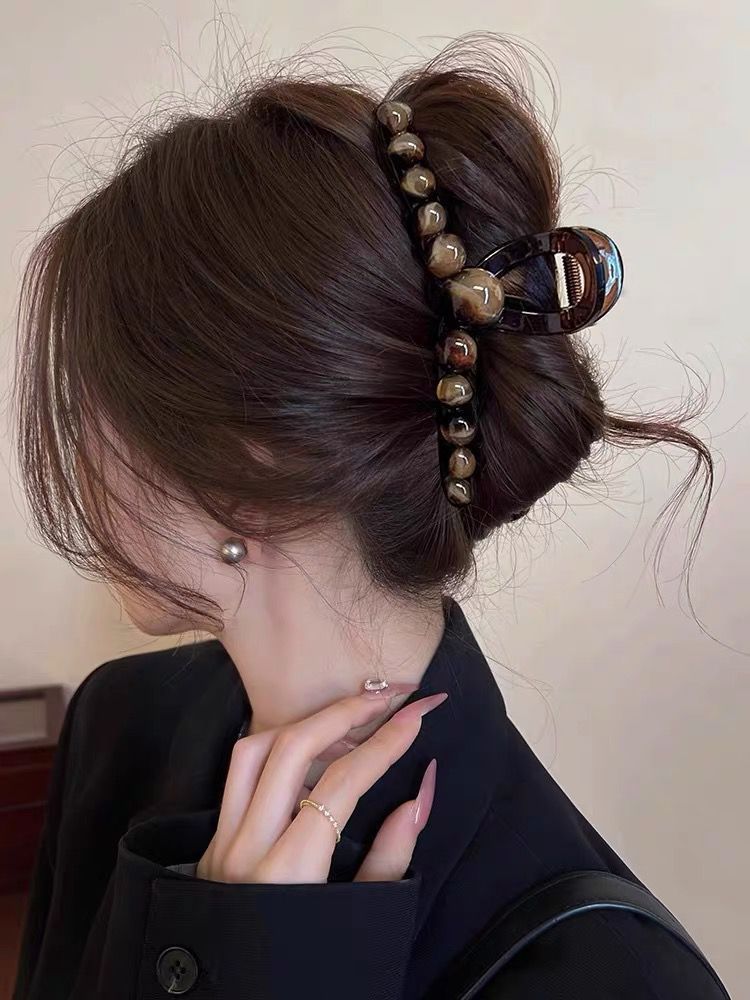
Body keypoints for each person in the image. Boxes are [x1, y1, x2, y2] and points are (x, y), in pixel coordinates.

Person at [11, 34, 728, 1000]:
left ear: (247, 463)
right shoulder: (116, 728)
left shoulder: (616, 978)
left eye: (96, 404)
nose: (77, 457)